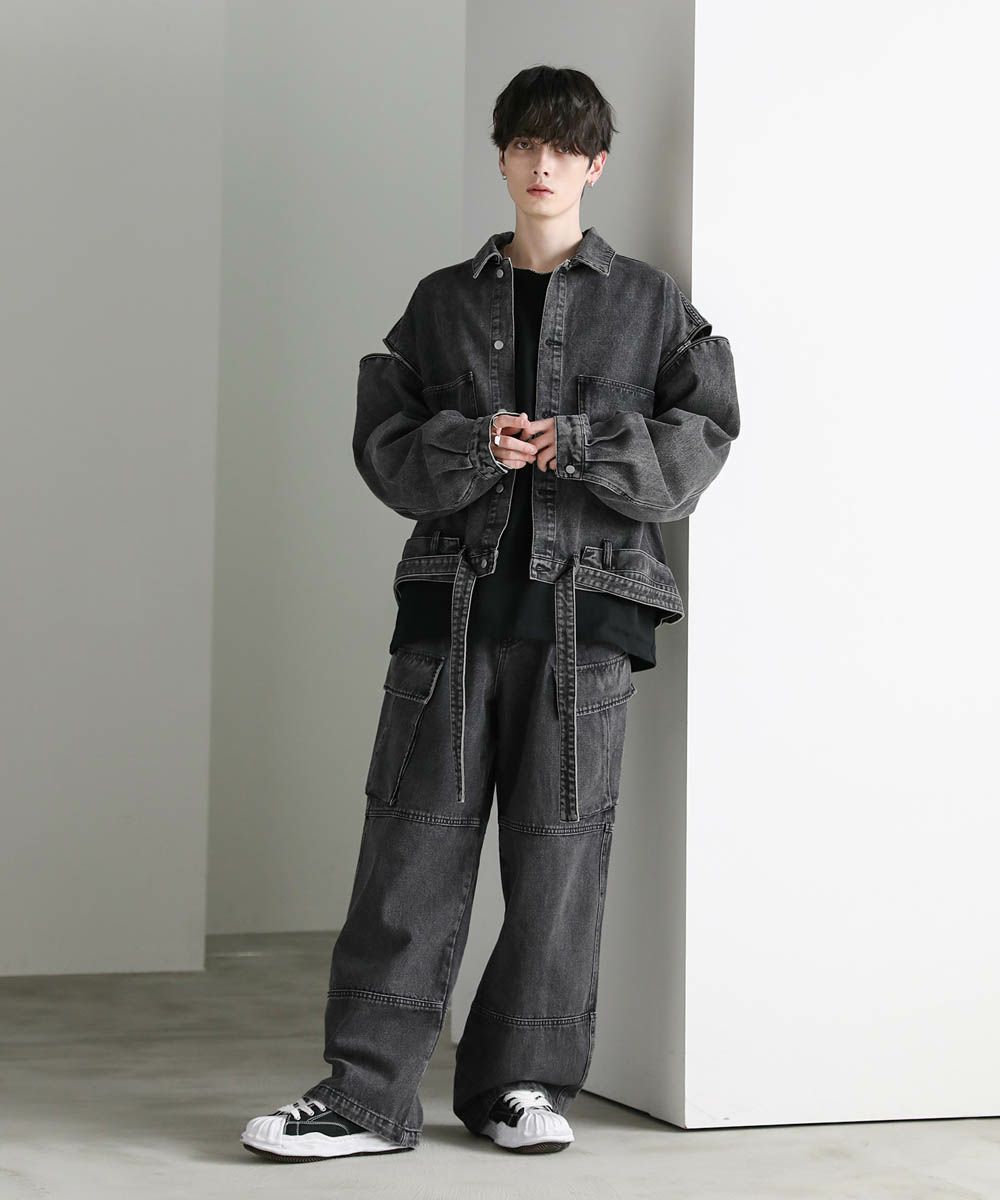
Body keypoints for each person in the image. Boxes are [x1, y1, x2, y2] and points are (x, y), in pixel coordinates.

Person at [241, 63, 740, 1162]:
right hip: (451, 612)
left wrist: (586, 444)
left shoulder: (651, 305)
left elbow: (702, 443)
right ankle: (364, 1097)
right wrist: (474, 446)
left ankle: (517, 1083)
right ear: (503, 157)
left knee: (560, 860)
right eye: (524, 144)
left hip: (587, 618)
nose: (542, 164)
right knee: (409, 849)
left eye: (564, 147)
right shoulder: (441, 303)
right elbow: (383, 446)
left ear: (596, 164)